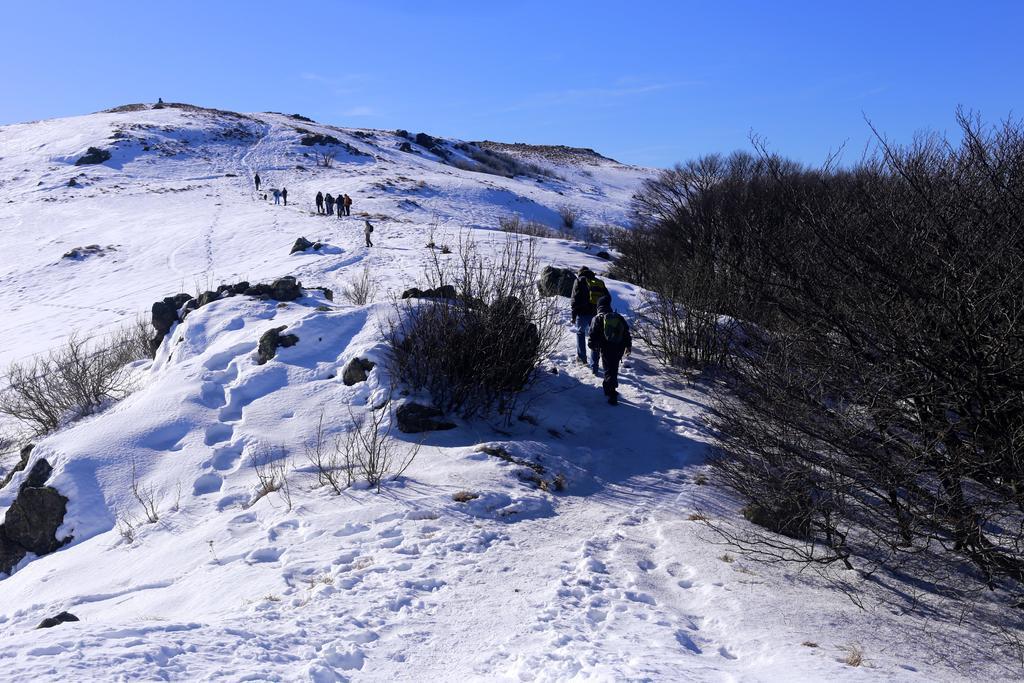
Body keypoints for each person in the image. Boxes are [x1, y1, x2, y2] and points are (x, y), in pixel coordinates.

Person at [588, 295, 632, 405]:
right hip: (619, 347)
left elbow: (592, 334)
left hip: (606, 348)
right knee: (613, 368)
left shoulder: (598, 318)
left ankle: (611, 392)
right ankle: (610, 388)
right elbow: (626, 332)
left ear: (599, 306)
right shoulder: (617, 316)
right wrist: (628, 346)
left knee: (608, 369)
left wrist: (592, 345)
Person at [571, 266, 600, 371]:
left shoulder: (578, 281)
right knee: (595, 337)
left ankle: (582, 358)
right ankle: (594, 365)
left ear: (580, 272)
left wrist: (573, 315)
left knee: (580, 333)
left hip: (582, 312)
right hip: (595, 313)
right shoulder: (597, 281)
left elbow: (574, 299)